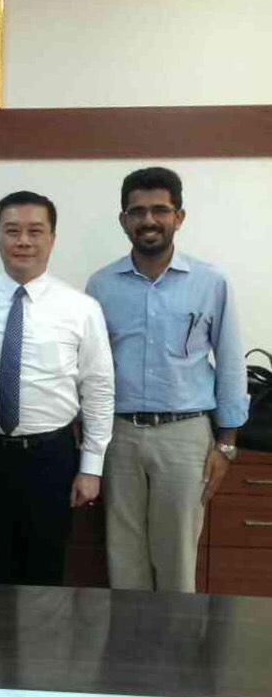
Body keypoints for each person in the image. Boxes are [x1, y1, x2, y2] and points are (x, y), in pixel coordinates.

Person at [0, 191, 114, 585]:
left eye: (35, 231)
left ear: (52, 238)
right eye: (12, 231)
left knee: (45, 575)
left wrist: (91, 468)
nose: (23, 241)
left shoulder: (81, 308)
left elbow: (99, 389)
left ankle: (41, 629)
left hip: (52, 458)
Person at [86, 166, 249, 593]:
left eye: (160, 210)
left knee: (176, 560)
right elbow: (90, 369)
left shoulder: (211, 282)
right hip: (119, 437)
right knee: (124, 559)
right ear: (123, 220)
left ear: (179, 216)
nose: (149, 220)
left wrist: (227, 444)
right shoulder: (101, 286)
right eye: (138, 211)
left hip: (185, 435)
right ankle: (129, 638)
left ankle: (177, 638)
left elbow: (231, 363)